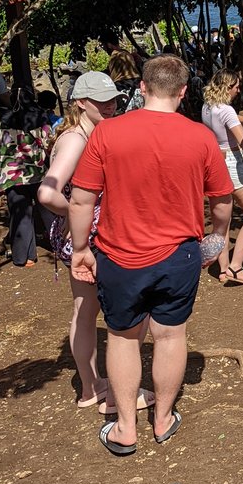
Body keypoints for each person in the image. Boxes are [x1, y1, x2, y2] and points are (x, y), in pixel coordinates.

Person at [68, 56, 233, 456]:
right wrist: (219, 237)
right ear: (182, 92)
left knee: (124, 339)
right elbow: (223, 198)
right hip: (179, 255)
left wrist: (80, 249)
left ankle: (126, 428)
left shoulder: (107, 134)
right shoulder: (200, 138)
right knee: (171, 335)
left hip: (119, 256)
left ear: (140, 88)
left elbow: (80, 199)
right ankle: (162, 419)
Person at [37, 71, 146, 412]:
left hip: (80, 236)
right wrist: (77, 215)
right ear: (81, 103)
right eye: (102, 101)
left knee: (85, 312)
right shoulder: (76, 140)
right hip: (93, 237)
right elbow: (46, 191)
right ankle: (117, 392)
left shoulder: (86, 132)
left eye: (114, 99)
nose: (111, 106)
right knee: (126, 312)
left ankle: (90, 388)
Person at [201, 70, 243, 283]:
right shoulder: (226, 110)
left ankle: (223, 268)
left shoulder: (208, 106)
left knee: (223, 218)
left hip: (214, 162)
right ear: (228, 87)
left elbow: (239, 120)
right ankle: (236, 267)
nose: (239, 90)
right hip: (232, 162)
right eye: (237, 86)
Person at [0, 88, 54, 267]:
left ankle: (24, 257)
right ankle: (61, 244)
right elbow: (48, 142)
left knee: (21, 214)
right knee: (48, 210)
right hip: (37, 172)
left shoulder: (1, 118)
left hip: (11, 175)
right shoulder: (40, 116)